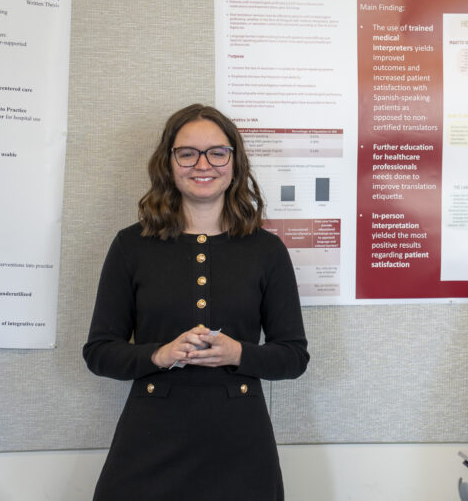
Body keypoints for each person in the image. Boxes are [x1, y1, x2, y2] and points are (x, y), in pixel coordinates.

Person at [83, 104, 309, 500]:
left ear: (234, 163)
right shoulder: (131, 246)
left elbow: (293, 357)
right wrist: (159, 354)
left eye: (217, 152)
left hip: (241, 440)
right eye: (187, 153)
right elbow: (99, 353)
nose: (202, 165)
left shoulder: (266, 250)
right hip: (150, 436)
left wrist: (238, 353)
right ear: (168, 163)